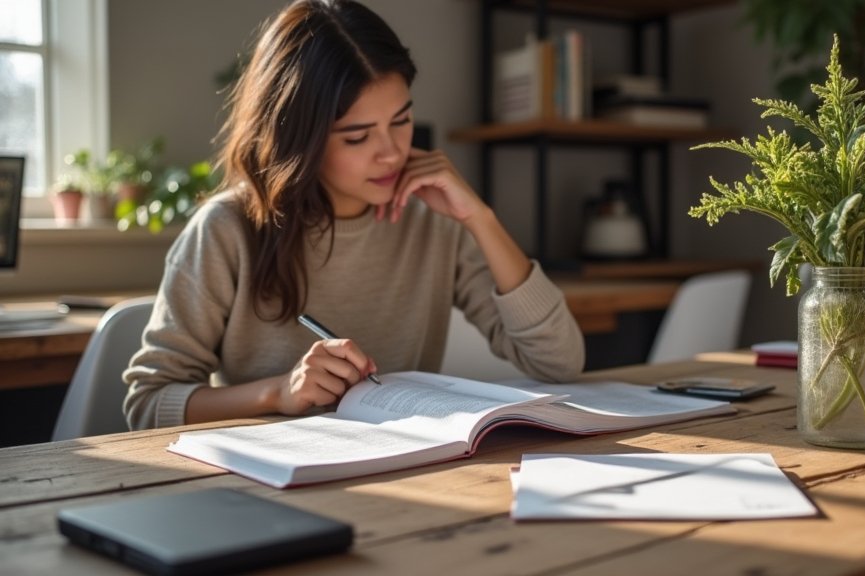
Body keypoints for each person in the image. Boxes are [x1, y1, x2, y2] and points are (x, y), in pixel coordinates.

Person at [122, 0, 585, 430]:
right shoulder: (227, 229)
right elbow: (148, 404)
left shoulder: (434, 217)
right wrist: (277, 393)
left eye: (401, 121)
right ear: (301, 139)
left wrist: (481, 218)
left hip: (406, 471)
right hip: (268, 489)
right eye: (358, 137)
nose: (390, 153)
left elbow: (559, 362)